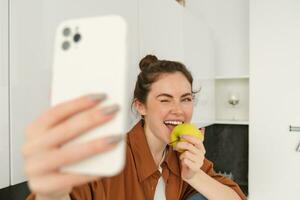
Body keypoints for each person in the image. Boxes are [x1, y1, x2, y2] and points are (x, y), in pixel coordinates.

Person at [25, 55, 247, 200]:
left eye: (186, 99)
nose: (179, 110)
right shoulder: (107, 158)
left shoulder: (181, 154)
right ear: (141, 106)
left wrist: (194, 176)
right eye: (165, 99)